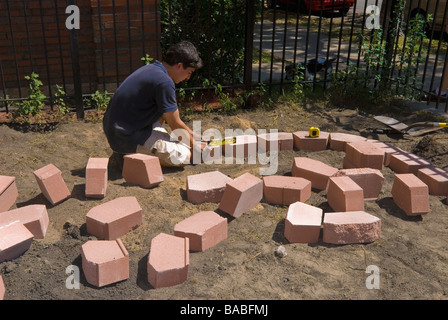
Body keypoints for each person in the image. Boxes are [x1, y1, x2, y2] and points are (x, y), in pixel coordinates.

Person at [102, 41, 207, 168]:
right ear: (179, 66)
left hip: (118, 129)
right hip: (126, 137)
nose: (188, 77)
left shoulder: (153, 69)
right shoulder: (164, 82)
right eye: (189, 72)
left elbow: (171, 119)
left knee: (167, 115)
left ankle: (145, 147)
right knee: (185, 156)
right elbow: (175, 123)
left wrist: (193, 136)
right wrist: (194, 146)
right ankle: (129, 154)